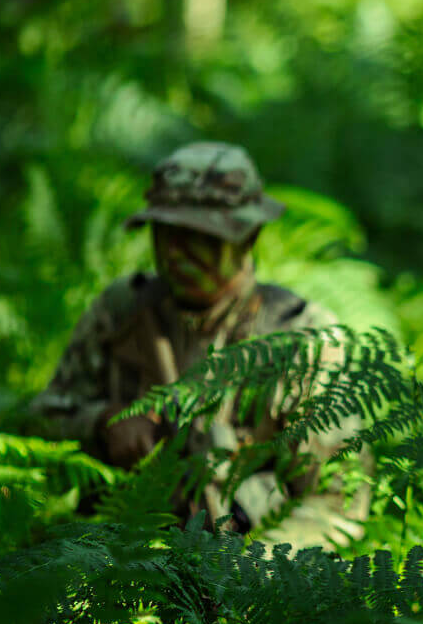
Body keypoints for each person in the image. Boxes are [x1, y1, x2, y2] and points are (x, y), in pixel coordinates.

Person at [31, 141, 368, 547]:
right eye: (165, 234)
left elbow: (336, 504)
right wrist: (102, 424)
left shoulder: (303, 340)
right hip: (110, 560)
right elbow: (36, 427)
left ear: (248, 234)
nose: (177, 255)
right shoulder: (122, 311)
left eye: (199, 237)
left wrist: (252, 572)